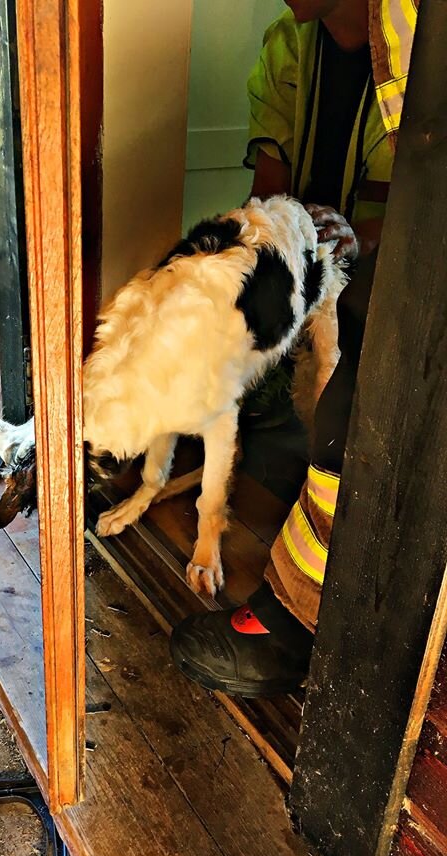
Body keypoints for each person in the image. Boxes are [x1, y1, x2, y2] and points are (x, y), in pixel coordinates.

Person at [170, 0, 419, 697]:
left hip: (385, 267)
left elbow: (396, 210)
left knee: (350, 407)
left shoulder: (413, 45)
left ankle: (295, 628)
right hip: (314, 253)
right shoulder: (288, 44)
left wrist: (347, 244)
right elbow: (269, 191)